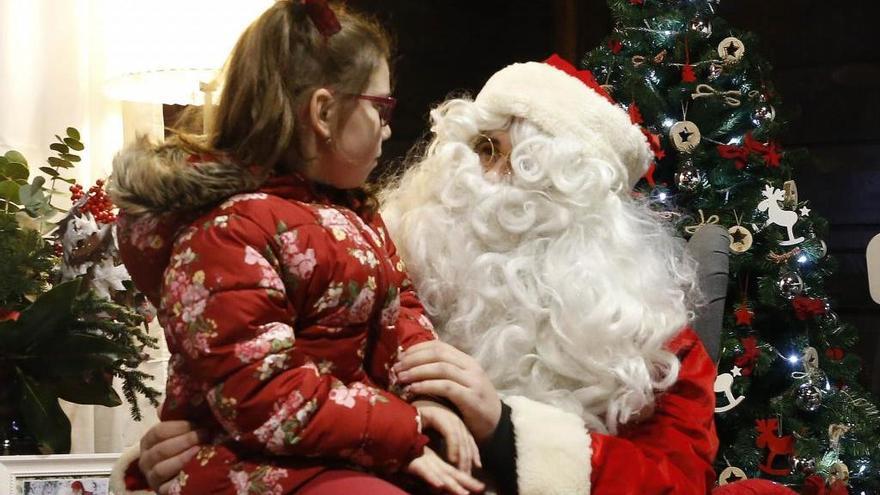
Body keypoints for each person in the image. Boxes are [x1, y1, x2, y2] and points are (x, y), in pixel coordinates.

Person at [119, 54, 798, 495]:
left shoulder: (647, 335)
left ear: (582, 206)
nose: (483, 180)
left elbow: (674, 482)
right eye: (477, 148)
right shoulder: (377, 256)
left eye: (515, 163)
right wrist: (176, 449)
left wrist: (504, 427)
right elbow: (260, 379)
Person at [107, 1, 484, 494]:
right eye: (381, 107)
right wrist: (401, 428)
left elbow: (400, 312)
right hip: (247, 459)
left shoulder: (356, 215)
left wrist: (425, 398)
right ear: (324, 113)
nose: (389, 127)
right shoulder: (227, 232)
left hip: (343, 443)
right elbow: (260, 393)